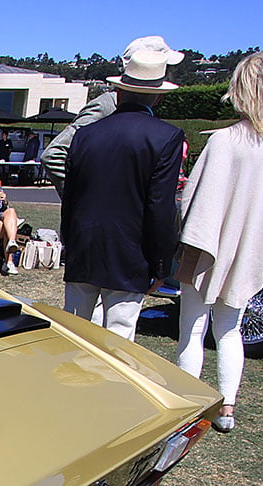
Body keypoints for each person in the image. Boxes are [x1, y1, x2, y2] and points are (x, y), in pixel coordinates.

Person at [176, 51, 263, 433]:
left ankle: (190, 406)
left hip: (206, 250)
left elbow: (194, 202)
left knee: (193, 328)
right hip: (250, 250)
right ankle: (226, 409)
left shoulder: (224, 141)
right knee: (230, 329)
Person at [61, 50, 184, 342]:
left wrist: (69, 240)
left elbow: (72, 197)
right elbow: (160, 206)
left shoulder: (85, 135)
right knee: (119, 340)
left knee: (75, 335)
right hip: (131, 254)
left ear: (118, 92)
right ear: (158, 97)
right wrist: (161, 264)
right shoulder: (166, 137)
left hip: (83, 248)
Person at [41, 36, 185, 197]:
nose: (167, 73)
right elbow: (54, 154)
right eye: (165, 66)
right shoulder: (106, 106)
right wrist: (84, 199)